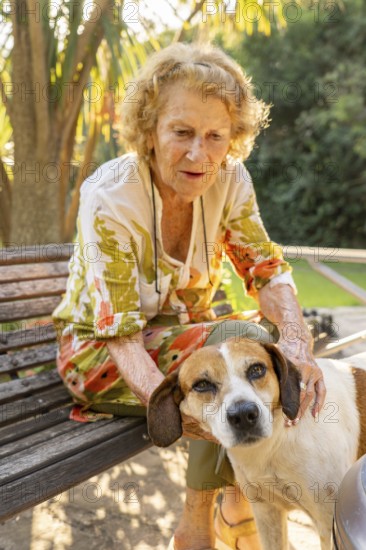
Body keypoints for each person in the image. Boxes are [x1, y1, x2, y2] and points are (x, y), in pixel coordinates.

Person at [53, 42, 326, 550]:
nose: (199, 153)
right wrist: (174, 409)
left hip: (187, 340)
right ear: (150, 132)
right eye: (181, 132)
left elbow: (267, 272)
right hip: (102, 356)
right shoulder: (111, 195)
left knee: (261, 351)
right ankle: (199, 525)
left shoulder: (231, 179)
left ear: (232, 139)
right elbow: (120, 336)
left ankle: (239, 505)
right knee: (237, 345)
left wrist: (296, 342)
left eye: (215, 136)